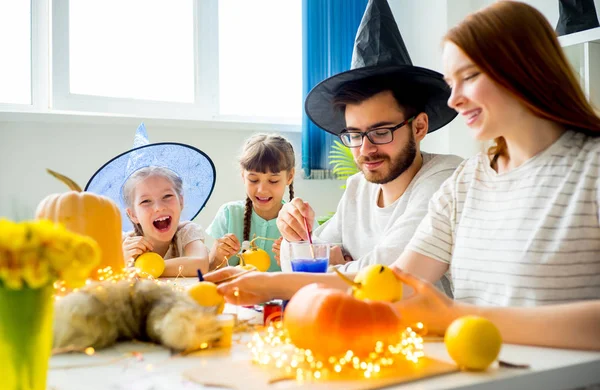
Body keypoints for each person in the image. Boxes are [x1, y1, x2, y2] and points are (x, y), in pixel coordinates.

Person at [205, 0, 462, 304]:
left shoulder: (445, 179)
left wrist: (335, 260)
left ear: (419, 127)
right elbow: (297, 259)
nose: (366, 149)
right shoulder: (358, 188)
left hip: (426, 337)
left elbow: (387, 275)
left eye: (381, 132)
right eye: (354, 134)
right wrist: (299, 237)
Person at [388, 0, 600, 354]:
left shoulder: (591, 168)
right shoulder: (467, 180)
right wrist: (279, 286)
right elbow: (397, 282)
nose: (454, 100)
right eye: (450, 83)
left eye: (469, 76)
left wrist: (454, 316)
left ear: (526, 69)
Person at [86, 123, 216, 277]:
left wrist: (145, 269)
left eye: (167, 196)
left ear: (181, 201)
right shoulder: (123, 243)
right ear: (133, 214)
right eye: (146, 201)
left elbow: (200, 264)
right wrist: (121, 262)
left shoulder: (186, 232)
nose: (159, 207)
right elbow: (97, 276)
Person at [206, 133, 296, 272]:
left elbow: (312, 278)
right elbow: (208, 271)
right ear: (243, 176)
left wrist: (292, 262)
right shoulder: (229, 213)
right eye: (253, 180)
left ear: (289, 177)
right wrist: (218, 256)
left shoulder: (298, 221)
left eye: (273, 181)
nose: (262, 190)